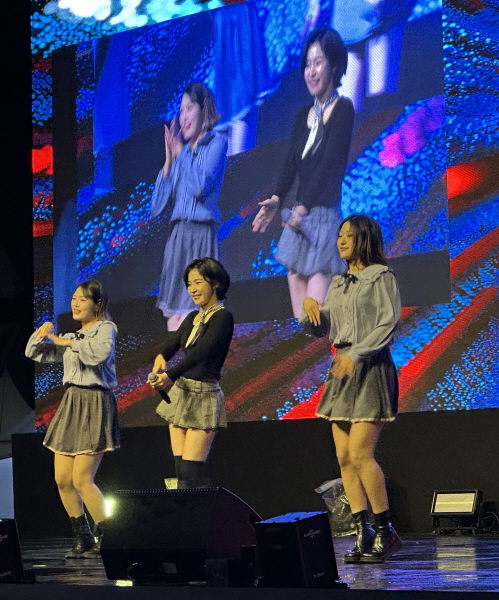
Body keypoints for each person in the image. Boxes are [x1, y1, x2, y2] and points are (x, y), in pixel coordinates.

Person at [301, 214, 402, 564]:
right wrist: (310, 311)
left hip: (369, 366)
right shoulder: (338, 282)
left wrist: (356, 354)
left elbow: (388, 324)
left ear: (365, 240)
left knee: (360, 453)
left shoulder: (381, 276)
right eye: (340, 235)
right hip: (342, 368)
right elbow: (323, 327)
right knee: (344, 456)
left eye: (349, 235)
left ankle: (386, 530)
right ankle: (363, 530)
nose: (341, 241)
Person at [252, 27, 353, 318]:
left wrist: (303, 208)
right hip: (299, 222)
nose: (311, 71)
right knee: (302, 321)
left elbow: (330, 166)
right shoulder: (301, 116)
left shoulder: (343, 108)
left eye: (318, 62)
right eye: (307, 64)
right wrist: (276, 198)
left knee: (316, 319)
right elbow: (290, 163)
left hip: (322, 219)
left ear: (334, 65)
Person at [25, 280, 119, 559]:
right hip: (72, 402)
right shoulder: (72, 335)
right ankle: (84, 537)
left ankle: (110, 539)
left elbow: (99, 355)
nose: (75, 304)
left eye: (82, 299)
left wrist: (67, 342)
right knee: (63, 479)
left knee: (82, 479)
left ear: (97, 304)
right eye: (74, 298)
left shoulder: (106, 328)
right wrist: (42, 334)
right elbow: (34, 353)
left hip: (94, 401)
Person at [149, 257, 234, 488]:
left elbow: (201, 352)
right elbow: (174, 342)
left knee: (190, 473)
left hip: (204, 395)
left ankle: (205, 508)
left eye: (198, 282)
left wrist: (170, 375)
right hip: (182, 393)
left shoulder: (223, 317)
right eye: (189, 284)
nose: (192, 289)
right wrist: (161, 356)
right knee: (180, 471)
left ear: (215, 283)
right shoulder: (192, 317)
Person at [152, 83, 228, 332]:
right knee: (174, 321)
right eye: (181, 110)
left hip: (201, 237)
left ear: (203, 109)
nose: (183, 116)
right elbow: (157, 206)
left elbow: (199, 186)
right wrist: (168, 161)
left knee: (195, 318)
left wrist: (180, 154)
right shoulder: (180, 154)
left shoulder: (218, 142)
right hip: (178, 238)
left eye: (189, 108)